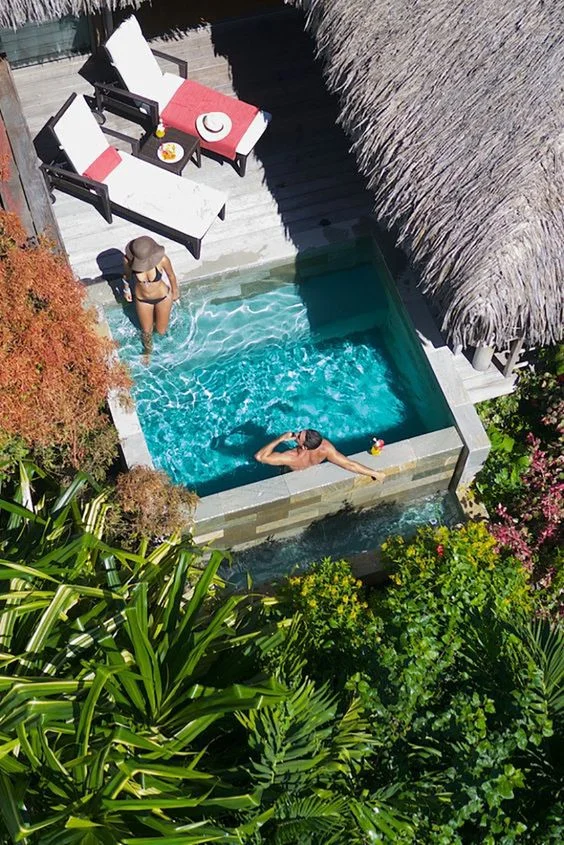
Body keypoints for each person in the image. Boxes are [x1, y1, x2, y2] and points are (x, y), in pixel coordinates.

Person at [123, 235, 179, 359]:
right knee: (146, 332)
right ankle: (147, 351)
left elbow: (171, 275)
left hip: (163, 298)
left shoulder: (163, 260)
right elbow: (126, 276)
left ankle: (165, 354)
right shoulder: (129, 261)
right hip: (143, 300)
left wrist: (175, 292)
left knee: (161, 331)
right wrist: (126, 290)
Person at [254, 429, 386, 481]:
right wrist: (375, 474)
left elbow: (260, 457)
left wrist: (280, 438)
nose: (296, 434)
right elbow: (349, 464)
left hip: (290, 470)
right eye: (300, 432)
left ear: (304, 446)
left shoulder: (291, 457)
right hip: (309, 464)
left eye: (299, 436)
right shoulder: (325, 447)